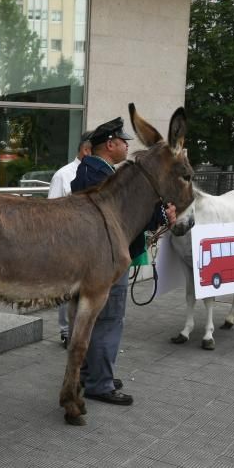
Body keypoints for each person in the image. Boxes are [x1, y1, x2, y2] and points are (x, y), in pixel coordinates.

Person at [71, 117, 176, 407]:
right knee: (108, 320)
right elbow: (124, 216)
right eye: (123, 141)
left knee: (96, 319)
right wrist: (160, 215)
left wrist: (159, 215)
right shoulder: (103, 176)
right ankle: (100, 383)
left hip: (95, 259)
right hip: (105, 260)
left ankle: (91, 375)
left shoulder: (93, 171)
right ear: (110, 144)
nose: (128, 146)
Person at [49, 130, 93, 347]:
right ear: (87, 150)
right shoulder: (63, 175)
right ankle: (66, 332)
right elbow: (51, 212)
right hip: (68, 244)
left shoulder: (101, 175)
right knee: (67, 291)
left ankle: (83, 330)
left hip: (92, 246)